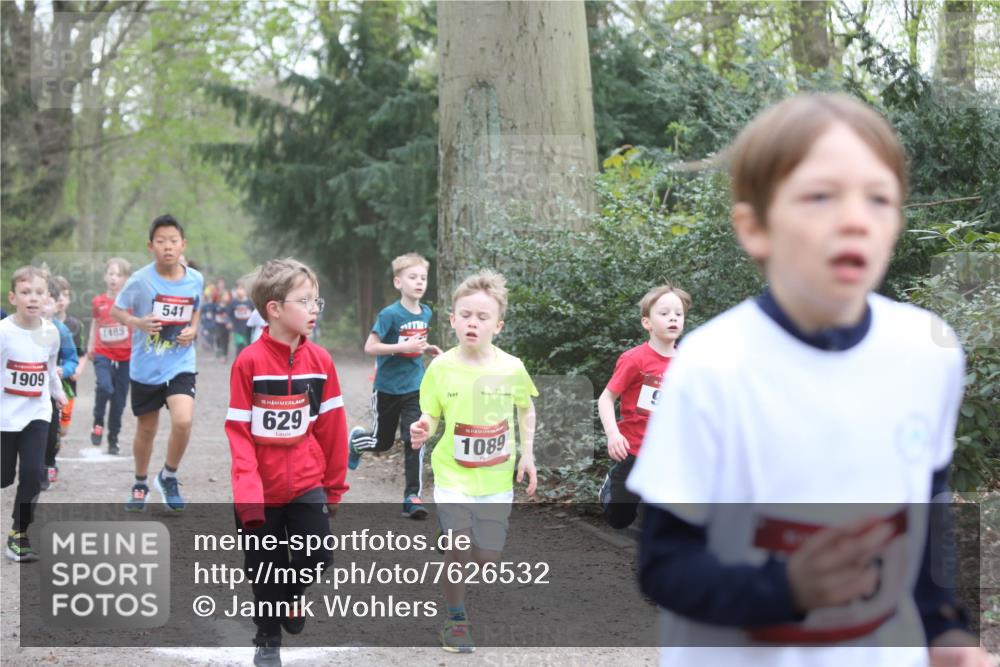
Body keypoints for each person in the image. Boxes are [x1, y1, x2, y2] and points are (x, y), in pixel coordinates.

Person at [626, 94, 993, 667]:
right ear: (755, 229)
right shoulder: (711, 366)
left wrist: (944, 629)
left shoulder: (929, 350)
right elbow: (665, 567)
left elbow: (925, 517)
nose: (854, 218)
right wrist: (787, 588)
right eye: (820, 196)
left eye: (879, 199)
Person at [224, 258, 348, 667]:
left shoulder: (321, 362)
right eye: (305, 300)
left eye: (317, 300)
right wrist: (247, 494)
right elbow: (239, 434)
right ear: (274, 309)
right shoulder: (249, 363)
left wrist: (334, 487)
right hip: (261, 488)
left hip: (307, 482)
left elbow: (332, 428)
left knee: (317, 556)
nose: (314, 309)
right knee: (264, 568)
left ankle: (291, 598)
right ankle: (267, 638)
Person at [410, 269, 537, 653]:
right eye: (465, 315)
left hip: (496, 479)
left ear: (497, 325)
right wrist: (423, 427)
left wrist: (527, 453)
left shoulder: (511, 367)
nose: (472, 323)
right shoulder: (440, 367)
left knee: (487, 558)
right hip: (453, 475)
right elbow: (431, 415)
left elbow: (526, 410)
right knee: (460, 548)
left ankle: (452, 539)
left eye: (482, 317)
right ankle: (456, 620)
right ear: (452, 319)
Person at [112, 214, 203, 512]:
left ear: (183, 244)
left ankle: (168, 475)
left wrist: (193, 329)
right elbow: (117, 311)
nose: (168, 247)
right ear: (151, 246)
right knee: (146, 430)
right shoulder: (140, 280)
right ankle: (140, 483)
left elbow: (196, 309)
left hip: (180, 363)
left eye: (173, 241)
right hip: (146, 367)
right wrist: (137, 322)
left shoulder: (195, 279)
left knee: (183, 420)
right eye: (161, 241)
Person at [347, 253, 442, 518]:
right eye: (413, 277)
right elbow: (370, 347)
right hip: (387, 388)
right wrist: (403, 347)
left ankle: (412, 496)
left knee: (415, 439)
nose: (419, 282)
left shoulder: (426, 312)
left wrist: (428, 348)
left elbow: (416, 341)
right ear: (398, 282)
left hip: (415, 387)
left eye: (423, 278)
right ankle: (357, 441)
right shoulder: (389, 314)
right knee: (382, 442)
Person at [597, 283, 689, 529]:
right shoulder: (634, 360)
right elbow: (606, 398)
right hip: (634, 450)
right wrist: (613, 435)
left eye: (678, 314)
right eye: (664, 313)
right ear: (647, 322)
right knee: (620, 519)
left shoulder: (690, 362)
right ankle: (611, 485)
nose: (673, 318)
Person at [1, 267, 67, 561]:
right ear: (13, 297)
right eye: (26, 292)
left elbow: (49, 368)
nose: (33, 298)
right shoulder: (3, 332)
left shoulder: (51, 333)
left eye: (39, 293)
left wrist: (58, 391)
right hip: (4, 416)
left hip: (37, 413)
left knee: (32, 474)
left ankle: (19, 534)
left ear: (47, 298)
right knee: (3, 477)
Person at [88, 257, 133, 455]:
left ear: (126, 279)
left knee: (119, 401)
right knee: (105, 387)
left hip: (126, 356)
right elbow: (95, 323)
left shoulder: (130, 302)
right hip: (103, 352)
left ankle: (113, 437)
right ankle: (98, 421)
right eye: (111, 274)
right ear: (105, 276)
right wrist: (90, 344)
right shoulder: (98, 301)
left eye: (119, 275)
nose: (114, 278)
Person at [41, 278, 78, 489]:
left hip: (51, 391)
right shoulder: (16, 327)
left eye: (48, 302)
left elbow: (72, 358)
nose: (42, 307)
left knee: (51, 432)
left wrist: (63, 370)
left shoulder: (59, 330)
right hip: (25, 392)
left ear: (56, 305)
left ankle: (48, 463)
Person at [52, 275, 86, 439]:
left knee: (63, 430)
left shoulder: (74, 325)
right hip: (48, 383)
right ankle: (50, 460)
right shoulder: (39, 322)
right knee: (50, 427)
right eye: (57, 296)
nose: (61, 300)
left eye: (65, 295)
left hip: (68, 384)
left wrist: (78, 368)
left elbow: (81, 353)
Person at [229, 283, 254, 356]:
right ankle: (239, 361)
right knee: (239, 345)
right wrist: (230, 322)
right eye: (238, 289)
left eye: (241, 289)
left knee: (248, 346)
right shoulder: (233, 302)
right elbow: (229, 314)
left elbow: (254, 314)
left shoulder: (250, 302)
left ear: (245, 291)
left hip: (248, 328)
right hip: (237, 328)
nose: (240, 291)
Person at [215, 288, 232, 362]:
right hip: (219, 325)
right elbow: (214, 315)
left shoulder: (230, 306)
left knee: (226, 340)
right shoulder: (217, 306)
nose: (226, 297)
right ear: (221, 297)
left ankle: (224, 355)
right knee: (219, 338)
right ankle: (219, 349)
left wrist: (230, 323)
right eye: (225, 295)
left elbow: (231, 316)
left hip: (227, 326)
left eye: (227, 295)